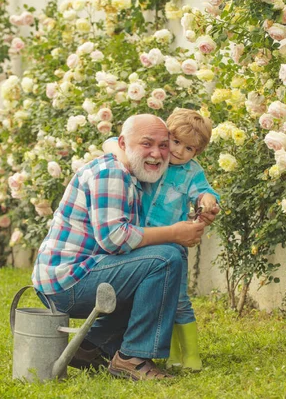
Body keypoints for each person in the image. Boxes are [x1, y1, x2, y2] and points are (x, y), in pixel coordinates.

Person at [32, 114, 219, 381]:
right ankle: (132, 358)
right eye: (147, 144)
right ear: (124, 144)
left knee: (164, 257)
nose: (158, 153)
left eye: (164, 145)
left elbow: (196, 187)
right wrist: (176, 232)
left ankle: (89, 346)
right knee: (165, 258)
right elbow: (114, 239)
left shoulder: (136, 172)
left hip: (84, 273)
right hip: (68, 282)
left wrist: (205, 203)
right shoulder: (112, 173)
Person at [103, 108, 218, 371]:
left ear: (197, 153)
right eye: (175, 142)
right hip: (139, 240)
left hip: (171, 245)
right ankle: (171, 353)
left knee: (177, 300)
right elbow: (111, 142)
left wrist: (207, 201)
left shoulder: (191, 172)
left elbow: (203, 192)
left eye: (189, 149)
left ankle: (191, 356)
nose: (179, 151)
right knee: (153, 299)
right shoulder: (156, 158)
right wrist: (122, 154)